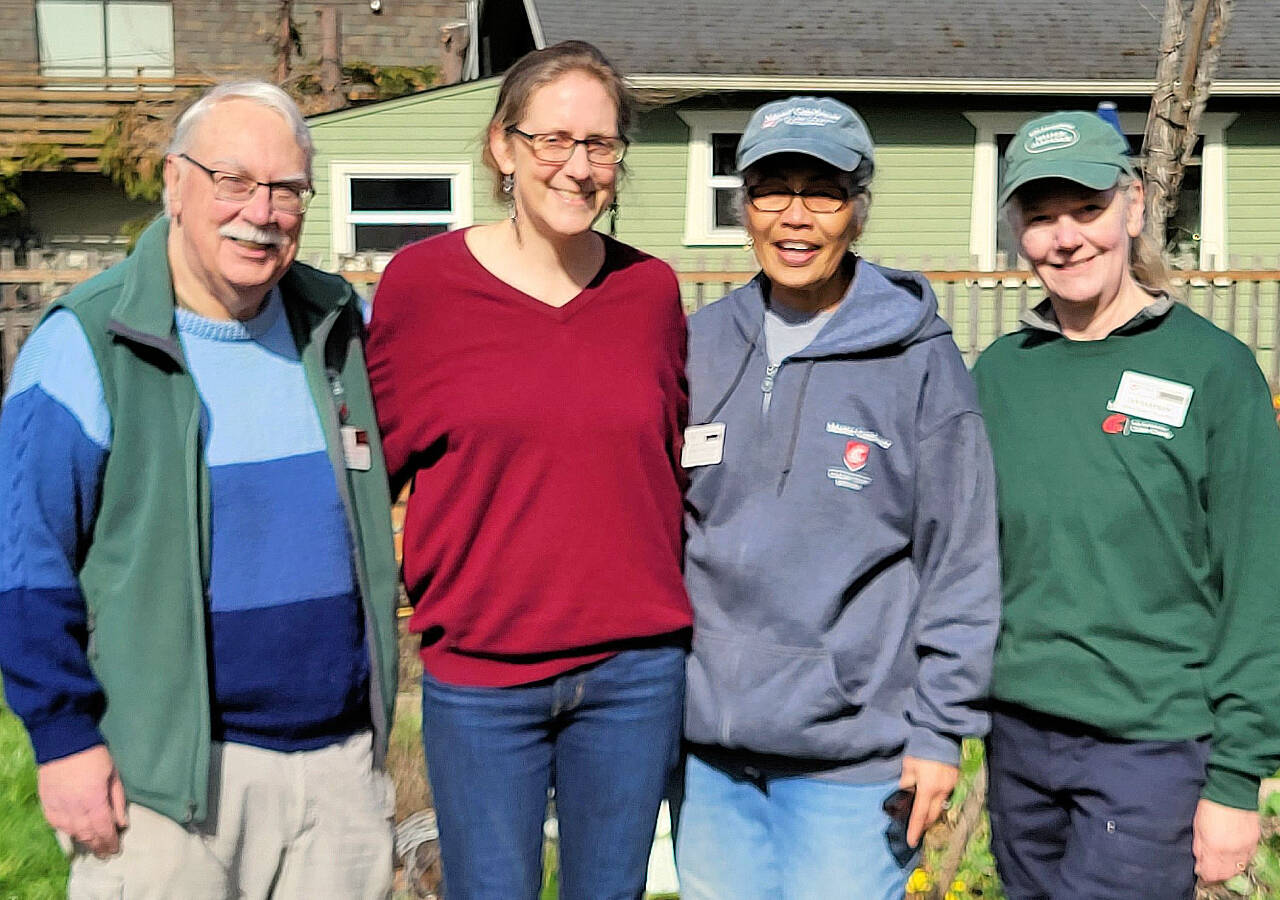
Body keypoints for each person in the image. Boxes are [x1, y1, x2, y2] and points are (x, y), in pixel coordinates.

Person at [0, 81, 399, 898]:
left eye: (288, 190)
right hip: (166, 785)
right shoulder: (88, 343)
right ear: (174, 185)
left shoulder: (336, 329)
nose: (263, 211)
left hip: (339, 772)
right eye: (235, 181)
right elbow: (23, 564)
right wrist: (63, 738)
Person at [365, 41, 691, 900]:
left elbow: (668, 468)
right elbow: (370, 473)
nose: (577, 167)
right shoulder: (422, 287)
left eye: (600, 145)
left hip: (633, 674)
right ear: (502, 148)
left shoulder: (651, 293)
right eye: (553, 139)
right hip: (481, 675)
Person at [675, 96, 1001, 900]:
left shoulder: (918, 361)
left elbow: (961, 560)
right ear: (743, 205)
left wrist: (940, 731)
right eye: (770, 189)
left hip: (856, 763)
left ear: (858, 210)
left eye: (821, 191)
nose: (794, 216)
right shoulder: (698, 345)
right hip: (708, 756)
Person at [974, 110, 1280, 899]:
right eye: (1039, 218)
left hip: (1152, 748)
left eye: (1086, 210)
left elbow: (1259, 583)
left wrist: (1238, 779)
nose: (1065, 237)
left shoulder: (1213, 371)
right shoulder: (1001, 376)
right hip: (1020, 740)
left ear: (1134, 206)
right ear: (1017, 231)